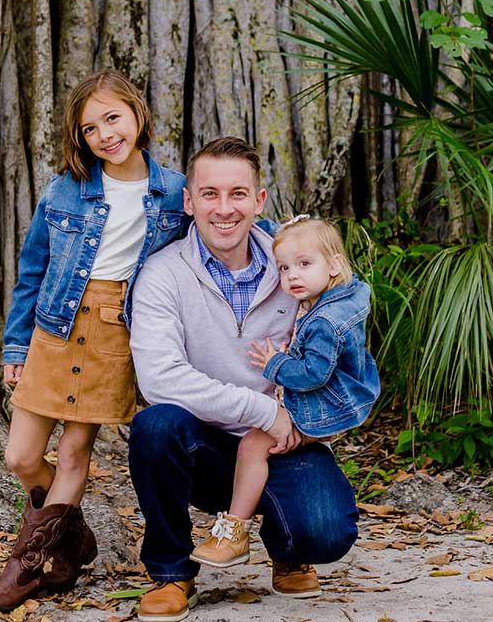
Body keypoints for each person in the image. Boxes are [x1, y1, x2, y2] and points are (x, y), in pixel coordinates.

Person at [0, 70, 187, 612]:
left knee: (73, 451)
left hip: (115, 332)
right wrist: (16, 347)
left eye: (112, 118)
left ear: (137, 114)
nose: (104, 135)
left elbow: (224, 221)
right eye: (90, 128)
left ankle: (27, 567)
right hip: (55, 328)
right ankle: (71, 534)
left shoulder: (175, 192)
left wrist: (289, 236)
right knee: (21, 457)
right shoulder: (65, 188)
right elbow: (31, 272)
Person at [127, 137, 359, 622]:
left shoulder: (297, 266)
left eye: (237, 194)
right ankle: (172, 575)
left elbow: (342, 355)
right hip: (204, 443)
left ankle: (288, 549)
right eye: (209, 194)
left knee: (326, 532)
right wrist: (262, 411)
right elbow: (159, 378)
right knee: (155, 426)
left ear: (259, 200)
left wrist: (305, 421)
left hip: (286, 441)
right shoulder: (163, 274)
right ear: (189, 202)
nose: (224, 208)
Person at [190, 215, 380, 568]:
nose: (292, 275)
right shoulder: (341, 295)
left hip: (322, 403)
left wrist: (274, 364)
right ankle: (279, 538)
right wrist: (264, 224)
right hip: (339, 404)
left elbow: (313, 374)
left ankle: (234, 531)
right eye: (283, 267)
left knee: (251, 446)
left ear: (335, 264)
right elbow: (300, 244)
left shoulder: (325, 321)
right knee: (269, 447)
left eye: (304, 264)